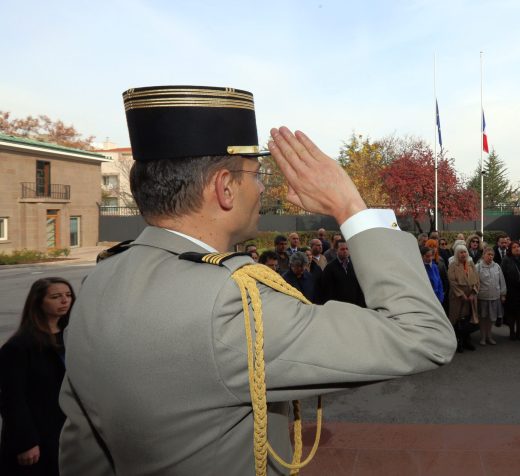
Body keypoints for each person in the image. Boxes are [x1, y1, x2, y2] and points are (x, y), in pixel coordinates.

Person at [58, 86, 456, 476]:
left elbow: (84, 444)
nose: (262, 186)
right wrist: (350, 206)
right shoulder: (229, 303)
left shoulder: (102, 279)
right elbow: (423, 335)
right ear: (225, 188)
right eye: (255, 173)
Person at [1, 277, 74, 476]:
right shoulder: (18, 347)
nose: (65, 301)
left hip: (68, 430)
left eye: (68, 296)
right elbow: (12, 399)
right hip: (38, 436)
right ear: (38, 302)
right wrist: (26, 442)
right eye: (56, 297)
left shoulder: (73, 337)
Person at [448, 244, 480, 353]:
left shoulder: (471, 264)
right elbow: (452, 282)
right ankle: (458, 341)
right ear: (457, 254)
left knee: (468, 319)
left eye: (465, 252)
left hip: (470, 298)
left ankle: (467, 340)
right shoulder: (453, 265)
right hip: (458, 298)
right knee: (457, 319)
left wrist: (473, 293)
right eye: (461, 252)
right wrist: (462, 295)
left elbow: (477, 280)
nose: (463, 254)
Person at [318, 240, 366, 306]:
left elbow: (359, 287)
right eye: (342, 249)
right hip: (338, 307)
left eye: (347, 249)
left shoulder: (355, 266)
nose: (345, 251)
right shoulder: (330, 268)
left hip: (354, 306)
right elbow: (327, 291)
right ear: (336, 250)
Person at [476, 247, 506, 345]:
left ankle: (489, 336)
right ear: (483, 255)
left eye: (492, 255)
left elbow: (502, 281)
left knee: (491, 318)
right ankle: (483, 338)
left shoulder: (497, 266)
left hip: (495, 297)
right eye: (488, 254)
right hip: (482, 297)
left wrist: (503, 294)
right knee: (483, 318)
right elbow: (475, 283)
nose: (490, 257)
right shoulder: (478, 267)